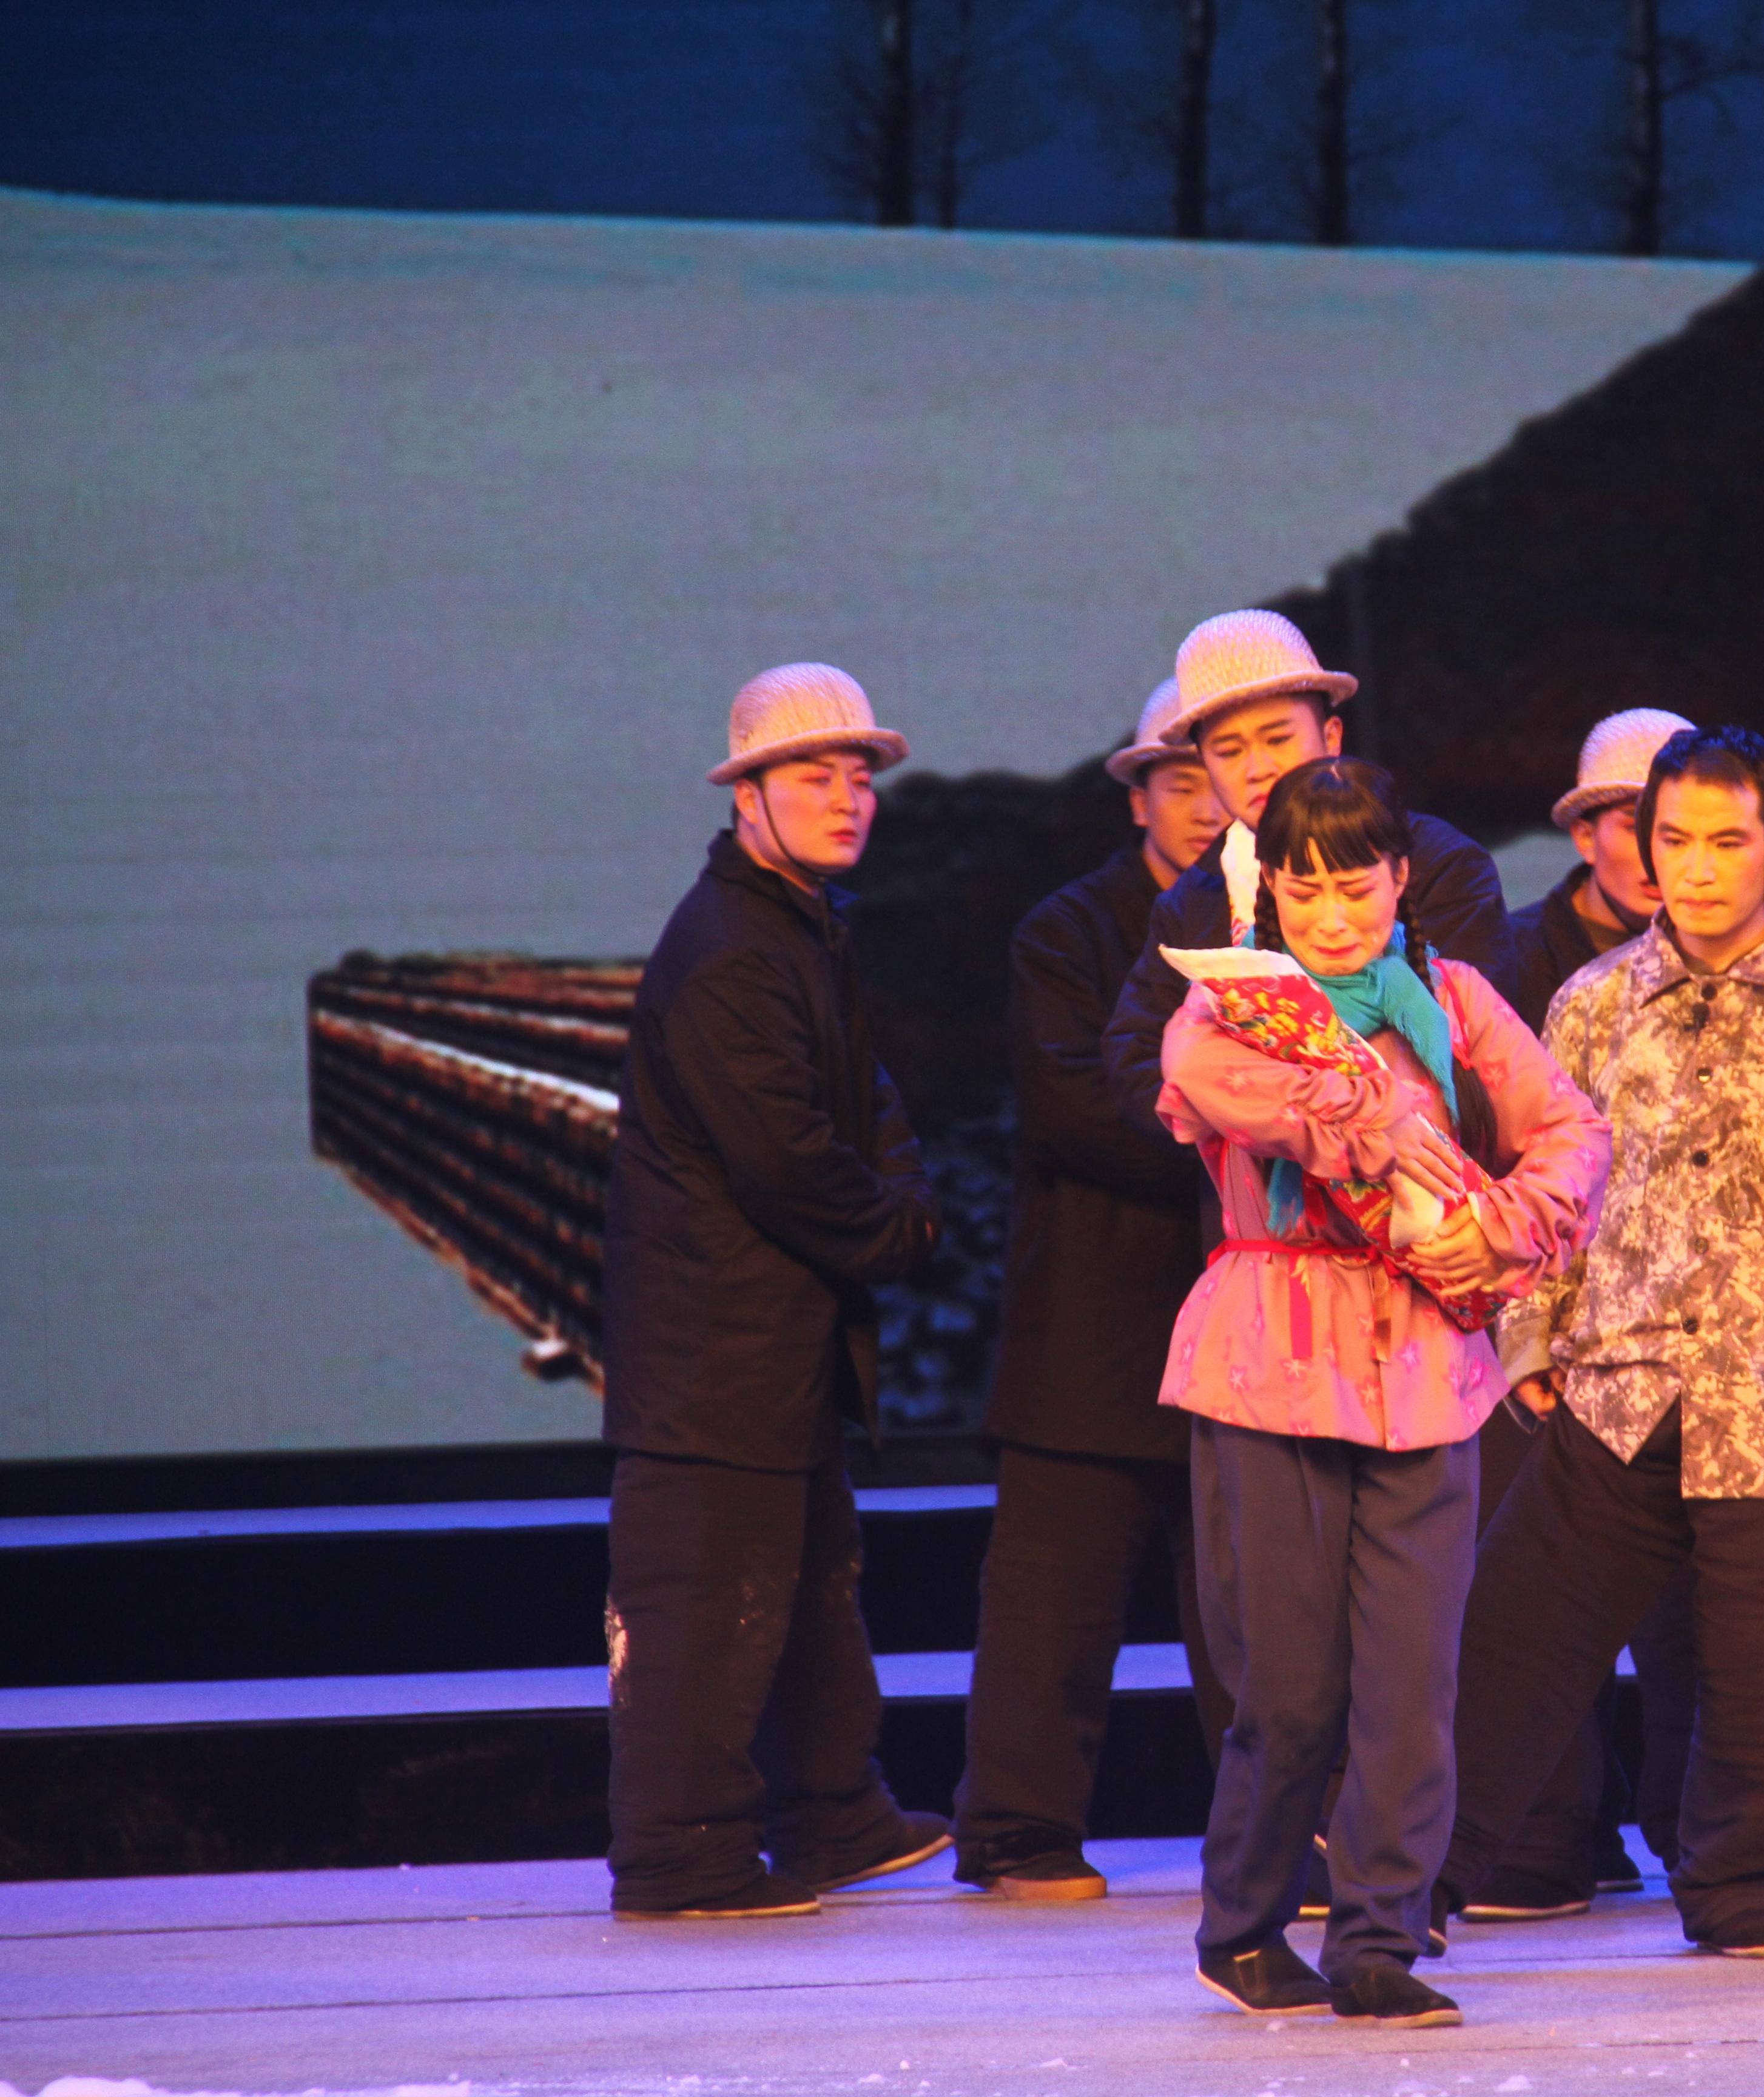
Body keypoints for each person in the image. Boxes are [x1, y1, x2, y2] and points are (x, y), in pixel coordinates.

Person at [1440, 726, 1764, 1959]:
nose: (1693, 866)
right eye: (1672, 838)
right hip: (1619, 1383)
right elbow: (1540, 1183)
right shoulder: (1593, 1000)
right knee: (1510, 1647)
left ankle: (1742, 1892)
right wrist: (1527, 1338)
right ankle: (1408, 1882)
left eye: (1725, 841)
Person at [1154, 758, 1609, 2027]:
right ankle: (1245, 1925)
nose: (1332, 916)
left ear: (1400, 879)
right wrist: (1370, 1115)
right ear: (1271, 894)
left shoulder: (1454, 1000)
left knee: (1412, 1689)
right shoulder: (1242, 1002)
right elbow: (1201, 1079)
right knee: (1289, 1688)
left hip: (1424, 1366)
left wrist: (1500, 1229)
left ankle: (1379, 1939)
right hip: (1272, 1360)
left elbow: (1574, 1133)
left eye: (1355, 888)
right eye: (1303, 891)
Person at [598, 663, 948, 1920]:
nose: (848, 798)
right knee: (705, 1599)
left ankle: (832, 1816)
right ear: (747, 794)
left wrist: (901, 1204)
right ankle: (680, 1853)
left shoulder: (796, 925)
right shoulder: (733, 950)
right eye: (814, 775)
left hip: (772, 1333)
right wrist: (897, 1229)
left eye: (860, 777)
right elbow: (788, 1159)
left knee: (802, 1582)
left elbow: (866, 1101)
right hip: (716, 1341)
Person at [952, 678, 1235, 1900]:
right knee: (1052, 1613)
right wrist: (1248, 1138)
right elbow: (1074, 1108)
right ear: (1137, 799)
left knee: (1249, 1618)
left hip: (1246, 1327)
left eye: (1221, 779)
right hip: (1093, 1329)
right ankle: (1016, 1835)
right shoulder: (1067, 931)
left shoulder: (1302, 925)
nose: (1206, 804)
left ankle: (1279, 1840)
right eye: (1178, 781)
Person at [1464, 704, 1701, 1923]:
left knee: (1691, 1609)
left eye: (1677, 821)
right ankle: (1544, 1843)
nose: (1652, 846)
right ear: (1584, 833)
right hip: (1549, 1314)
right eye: (1625, 819)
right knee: (1539, 1586)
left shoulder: (1758, 962)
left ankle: (1695, 1840)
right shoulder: (1514, 963)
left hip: (1696, 1326)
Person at [1105, 610, 1512, 1133]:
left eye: (1278, 739)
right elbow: (1137, 1062)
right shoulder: (1190, 903)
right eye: (1228, 751)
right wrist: (1253, 1130)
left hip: (1431, 1164)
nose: (1258, 769)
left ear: (1331, 736)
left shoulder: (1440, 863)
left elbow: (1480, 1038)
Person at [1506, 707, 1693, 1027]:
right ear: (1586, 837)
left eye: (1680, 833)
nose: (1658, 856)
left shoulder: (1730, 956)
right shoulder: (1512, 960)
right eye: (1636, 828)